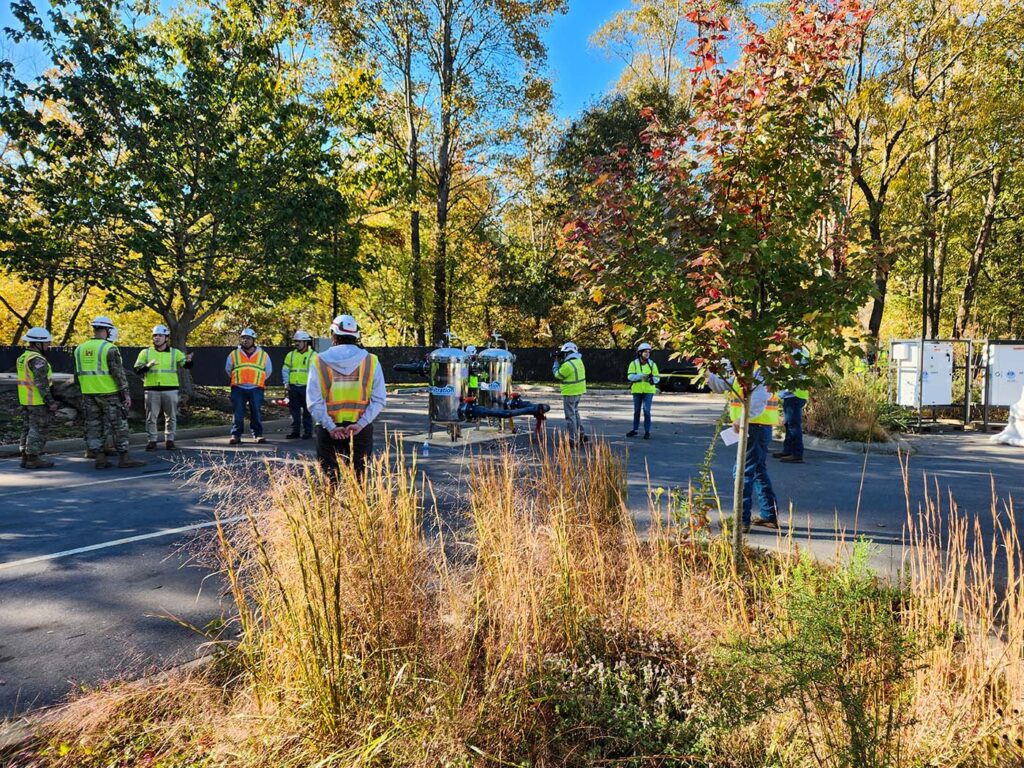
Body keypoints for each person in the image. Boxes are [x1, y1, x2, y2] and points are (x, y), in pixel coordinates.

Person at [306, 314, 386, 477]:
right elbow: (379, 399)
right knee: (359, 480)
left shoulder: (319, 360)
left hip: (328, 429)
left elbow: (314, 401)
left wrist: (330, 426)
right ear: (356, 336)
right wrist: (361, 423)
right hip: (359, 429)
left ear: (333, 335)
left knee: (329, 482)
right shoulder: (371, 361)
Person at [707, 363, 780, 532]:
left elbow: (759, 398)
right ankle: (769, 515)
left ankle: (741, 521)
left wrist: (742, 418)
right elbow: (722, 384)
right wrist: (708, 373)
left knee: (742, 472)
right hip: (756, 426)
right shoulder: (745, 367)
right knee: (758, 470)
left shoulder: (759, 368)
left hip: (755, 426)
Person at [74, 316, 147, 469]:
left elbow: (77, 375)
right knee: (119, 425)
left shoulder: (80, 349)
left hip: (88, 393)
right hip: (109, 393)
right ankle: (124, 458)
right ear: (107, 330)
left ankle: (100, 458)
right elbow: (118, 373)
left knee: (94, 426)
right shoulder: (109, 349)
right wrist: (126, 394)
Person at [134, 324, 193, 451]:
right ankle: (152, 440)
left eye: (160, 335)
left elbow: (187, 366)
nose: (157, 338)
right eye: (155, 335)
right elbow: (137, 370)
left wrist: (188, 361)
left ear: (166, 338)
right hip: (151, 389)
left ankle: (170, 440)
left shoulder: (174, 353)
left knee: (171, 416)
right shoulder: (146, 352)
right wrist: (148, 366)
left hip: (170, 389)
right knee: (151, 417)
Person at [17, 327, 59, 469]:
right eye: (47, 342)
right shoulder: (37, 360)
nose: (48, 345)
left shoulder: (23, 357)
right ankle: (33, 458)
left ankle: (25, 456)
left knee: (27, 428)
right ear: (38, 343)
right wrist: (50, 402)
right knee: (38, 429)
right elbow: (42, 383)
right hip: (37, 401)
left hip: (25, 400)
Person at [225, 328, 272, 445]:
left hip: (256, 388)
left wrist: (257, 380)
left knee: (256, 412)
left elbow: (268, 371)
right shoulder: (234, 354)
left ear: (253, 340)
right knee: (238, 412)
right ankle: (236, 435)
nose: (246, 340)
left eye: (248, 338)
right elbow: (228, 369)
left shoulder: (263, 355)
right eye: (244, 338)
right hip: (238, 387)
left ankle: (258, 435)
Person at [283, 330, 316, 440]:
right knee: (294, 411)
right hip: (293, 387)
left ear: (306, 342)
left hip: (307, 387)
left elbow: (316, 372)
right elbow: (285, 370)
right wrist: (286, 382)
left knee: (307, 410)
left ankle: (308, 432)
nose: (296, 343)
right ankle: (295, 431)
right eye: (295, 341)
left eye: (299, 341)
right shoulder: (291, 355)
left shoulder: (313, 355)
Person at [553, 342, 587, 444]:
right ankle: (581, 435)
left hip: (570, 392)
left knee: (570, 417)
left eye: (564, 353)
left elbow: (557, 375)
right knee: (575, 413)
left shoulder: (568, 365)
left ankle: (573, 440)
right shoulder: (578, 361)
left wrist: (556, 363)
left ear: (568, 353)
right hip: (578, 391)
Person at [626, 342, 660, 439]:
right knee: (637, 411)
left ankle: (647, 431)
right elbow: (630, 376)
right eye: (645, 352)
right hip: (637, 390)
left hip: (649, 390)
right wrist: (640, 376)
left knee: (647, 411)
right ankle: (635, 430)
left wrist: (652, 379)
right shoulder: (633, 364)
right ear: (640, 353)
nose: (647, 353)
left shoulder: (652, 364)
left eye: (649, 352)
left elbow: (657, 377)